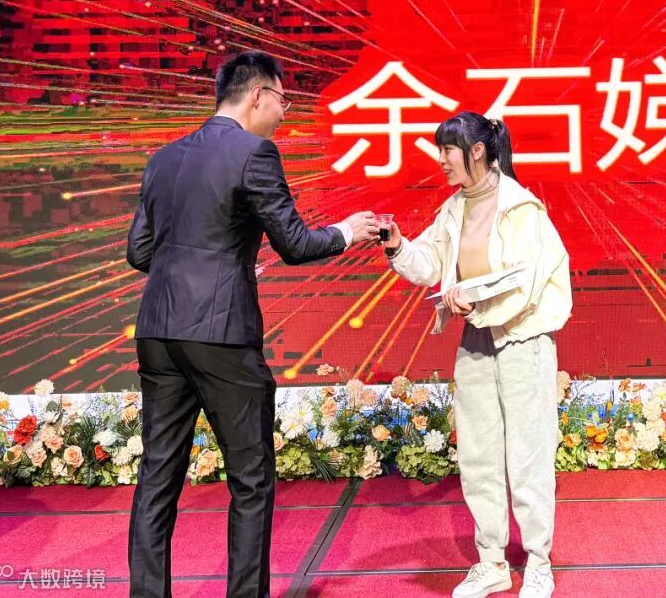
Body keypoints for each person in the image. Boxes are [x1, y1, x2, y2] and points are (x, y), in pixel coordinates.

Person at [125, 50, 379, 598]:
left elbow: (139, 253)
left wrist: (198, 262)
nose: (284, 114)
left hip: (158, 329)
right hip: (220, 333)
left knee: (157, 475)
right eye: (283, 100)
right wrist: (346, 231)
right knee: (251, 477)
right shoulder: (255, 152)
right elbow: (295, 244)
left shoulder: (163, 159)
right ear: (259, 94)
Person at [383, 112, 571, 598]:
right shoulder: (455, 208)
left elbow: (526, 282)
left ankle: (538, 561)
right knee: (479, 454)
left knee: (528, 454)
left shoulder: (521, 208)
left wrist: (473, 300)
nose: (441, 160)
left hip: (523, 338)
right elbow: (430, 264)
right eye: (441, 150)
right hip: (476, 340)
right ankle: (492, 562)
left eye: (448, 150)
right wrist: (398, 246)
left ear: (478, 151)